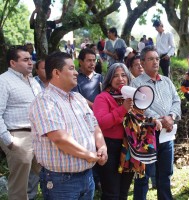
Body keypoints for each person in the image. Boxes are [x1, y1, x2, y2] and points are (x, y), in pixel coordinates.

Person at [29, 51, 107, 199]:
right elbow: (59, 138)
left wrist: (102, 146)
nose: (76, 72)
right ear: (57, 72)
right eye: (71, 68)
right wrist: (88, 155)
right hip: (62, 182)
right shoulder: (45, 101)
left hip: (87, 176)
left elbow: (94, 125)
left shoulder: (78, 98)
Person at [131, 45, 181, 200]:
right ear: (143, 62)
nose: (155, 62)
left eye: (157, 59)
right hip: (146, 136)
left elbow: (176, 100)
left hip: (166, 134)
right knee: (143, 177)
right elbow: (139, 107)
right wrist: (161, 119)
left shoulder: (166, 81)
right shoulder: (136, 84)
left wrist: (171, 116)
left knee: (165, 174)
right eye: (151, 59)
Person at [0, 46, 41, 199]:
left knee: (38, 178)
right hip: (17, 135)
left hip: (38, 135)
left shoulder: (33, 82)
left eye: (31, 59)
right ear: (13, 63)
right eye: (25, 60)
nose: (31, 62)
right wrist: (9, 140)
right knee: (19, 186)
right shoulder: (3, 81)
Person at [93, 63, 135, 199]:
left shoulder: (134, 97)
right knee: (111, 193)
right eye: (115, 76)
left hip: (129, 147)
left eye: (123, 75)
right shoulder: (103, 97)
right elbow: (101, 123)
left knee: (123, 192)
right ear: (109, 79)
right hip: (110, 147)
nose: (120, 79)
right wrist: (123, 109)